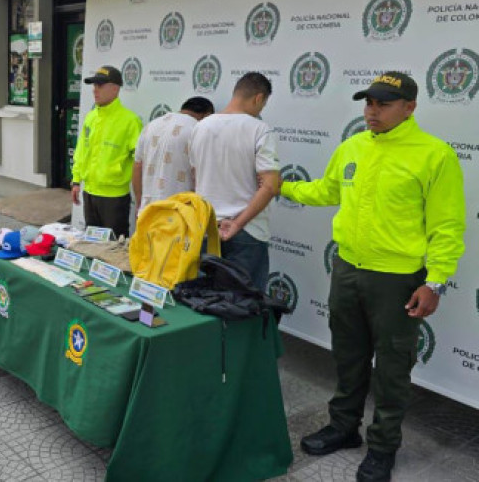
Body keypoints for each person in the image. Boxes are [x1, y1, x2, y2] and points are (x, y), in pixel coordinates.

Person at [280, 72, 465, 482]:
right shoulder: (352, 146)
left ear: (410, 107)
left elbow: (447, 227)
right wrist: (283, 188)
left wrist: (434, 282)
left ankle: (383, 447)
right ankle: (344, 428)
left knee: (392, 368)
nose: (372, 111)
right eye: (368, 103)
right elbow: (328, 191)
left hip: (397, 280)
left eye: (383, 104)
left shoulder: (434, 155)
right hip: (346, 270)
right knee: (348, 356)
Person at [189, 72, 279, 292]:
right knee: (244, 305)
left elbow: (195, 176)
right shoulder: (259, 129)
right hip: (247, 230)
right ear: (258, 98)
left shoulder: (200, 127)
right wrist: (238, 223)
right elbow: (271, 185)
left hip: (206, 226)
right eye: (263, 104)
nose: (261, 110)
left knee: (204, 300)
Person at [70, 66, 143, 238]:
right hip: (90, 192)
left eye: (100, 85)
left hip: (114, 197)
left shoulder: (130, 121)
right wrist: (76, 180)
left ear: (115, 88)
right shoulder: (91, 117)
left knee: (114, 246)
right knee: (91, 243)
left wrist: (141, 197)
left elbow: (139, 162)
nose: (95, 90)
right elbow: (82, 149)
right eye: (94, 85)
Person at [132, 96, 214, 215]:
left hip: (148, 211)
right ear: (206, 115)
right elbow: (200, 175)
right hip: (180, 215)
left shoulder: (151, 125)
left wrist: (140, 202)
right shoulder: (197, 129)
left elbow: (138, 166)